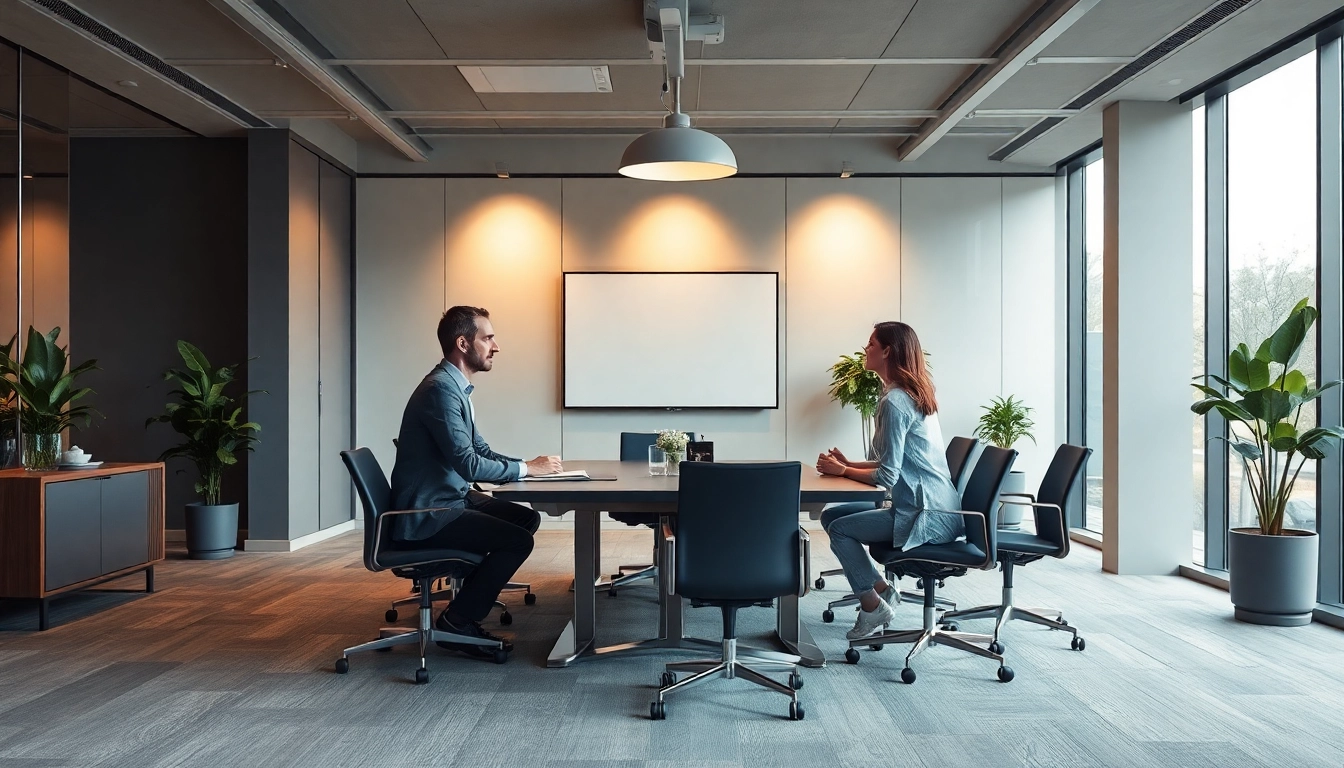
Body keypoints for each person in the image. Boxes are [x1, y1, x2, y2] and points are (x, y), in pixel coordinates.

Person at [389, 305, 562, 659]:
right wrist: (527, 470)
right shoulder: (441, 390)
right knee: (516, 541)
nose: (496, 347)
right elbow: (468, 464)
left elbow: (479, 448)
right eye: (488, 338)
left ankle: (470, 592)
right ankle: (458, 621)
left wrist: (525, 465)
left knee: (525, 518)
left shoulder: (455, 387)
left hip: (449, 498)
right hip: (431, 511)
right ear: (463, 343)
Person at [815, 321, 962, 641]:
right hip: (941, 507)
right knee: (830, 516)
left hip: (925, 515)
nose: (865, 349)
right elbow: (896, 461)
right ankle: (882, 588)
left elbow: (887, 476)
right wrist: (847, 464)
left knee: (840, 529)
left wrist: (843, 472)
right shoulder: (912, 393)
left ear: (887, 351)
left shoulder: (895, 401)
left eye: (870, 344)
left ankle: (872, 604)